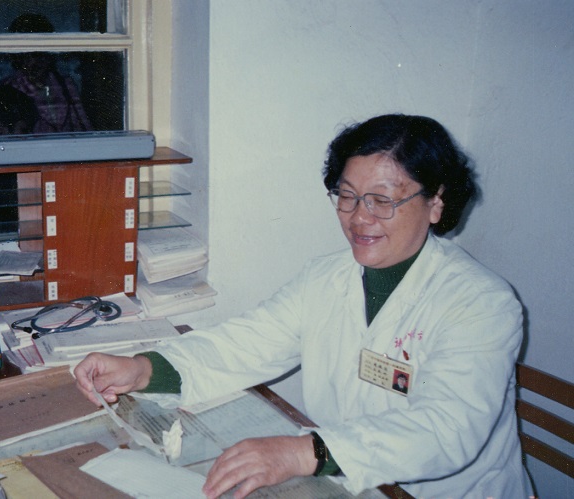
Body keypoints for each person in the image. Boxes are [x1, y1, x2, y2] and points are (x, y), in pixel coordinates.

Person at [74, 114, 533, 498]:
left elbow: (446, 429)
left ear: (435, 203)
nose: (359, 217)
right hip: (349, 484)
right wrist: (143, 368)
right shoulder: (325, 279)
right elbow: (247, 344)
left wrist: (302, 452)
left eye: (382, 200)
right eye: (347, 195)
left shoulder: (481, 303)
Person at [2, 13, 92, 133]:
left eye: (42, 53)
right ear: (18, 56)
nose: (37, 61)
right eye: (30, 54)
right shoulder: (8, 90)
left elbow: (84, 127)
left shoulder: (65, 84)